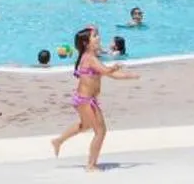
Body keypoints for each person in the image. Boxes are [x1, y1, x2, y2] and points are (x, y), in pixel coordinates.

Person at [52, 25, 137, 172]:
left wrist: (128, 76)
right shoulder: (90, 58)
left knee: (85, 126)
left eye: (97, 35)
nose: (98, 38)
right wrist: (115, 67)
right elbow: (107, 71)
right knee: (100, 131)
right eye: (95, 36)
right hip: (85, 101)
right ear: (86, 43)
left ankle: (58, 141)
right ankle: (91, 165)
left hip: (84, 100)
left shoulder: (92, 57)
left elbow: (108, 74)